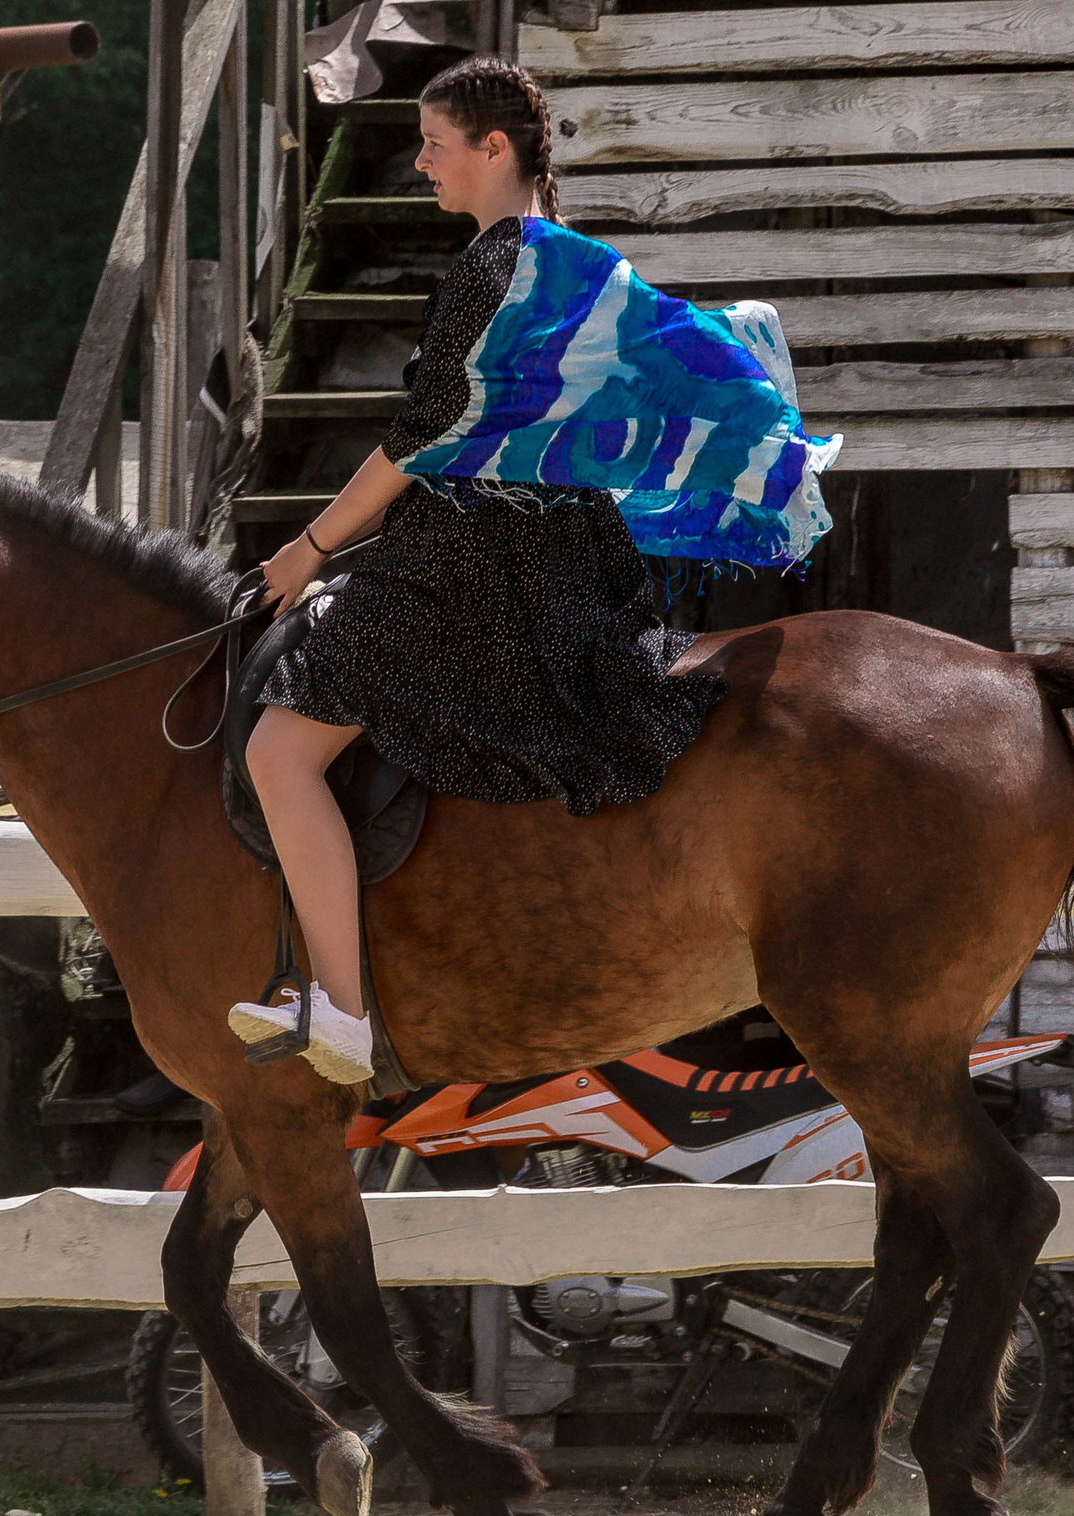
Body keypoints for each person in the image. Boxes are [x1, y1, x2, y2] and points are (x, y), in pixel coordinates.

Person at [225, 56, 837, 1083]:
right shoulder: (579, 268)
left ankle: (337, 1007)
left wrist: (308, 548)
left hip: (474, 565)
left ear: (492, 148)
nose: (419, 165)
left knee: (279, 754)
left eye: (433, 144)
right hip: (569, 558)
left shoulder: (486, 271)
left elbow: (423, 435)